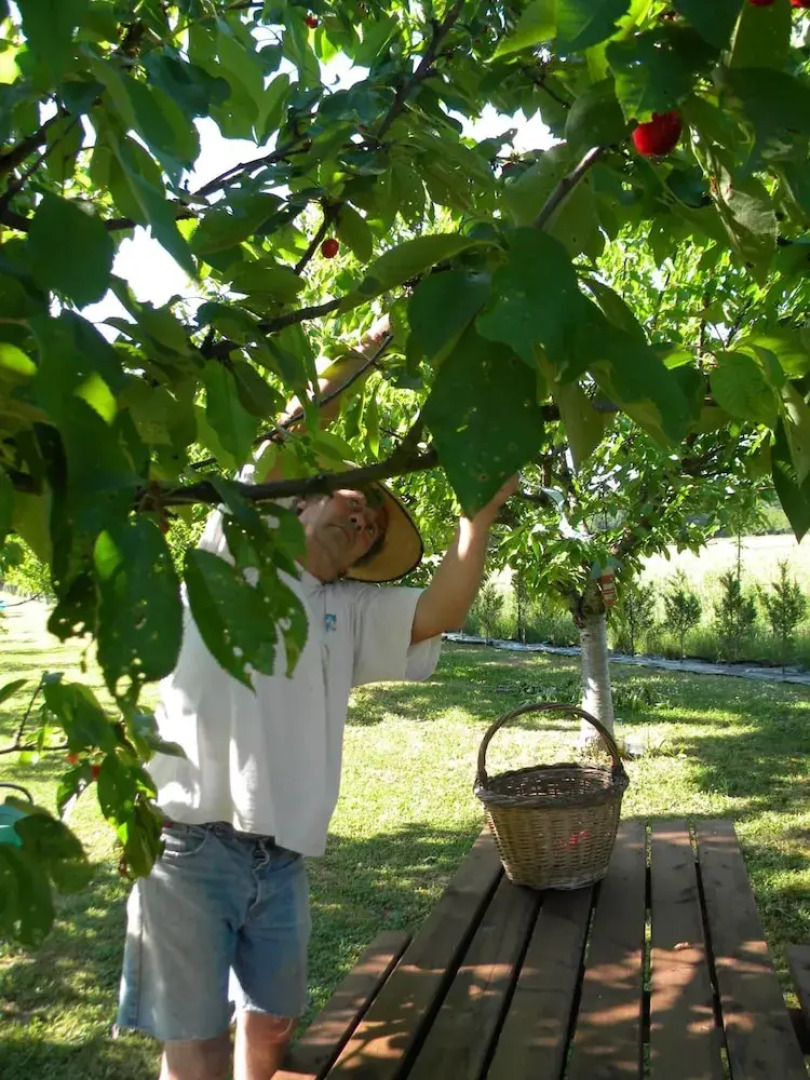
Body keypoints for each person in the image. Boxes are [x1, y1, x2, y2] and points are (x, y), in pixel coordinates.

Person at [115, 325, 517, 1080]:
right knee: (193, 1041)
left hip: (282, 858)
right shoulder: (233, 550)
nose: (362, 525)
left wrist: (478, 518)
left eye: (371, 530)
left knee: (271, 1027)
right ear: (298, 504)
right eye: (354, 505)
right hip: (188, 842)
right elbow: (288, 435)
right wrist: (357, 359)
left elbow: (442, 611)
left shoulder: (348, 615)